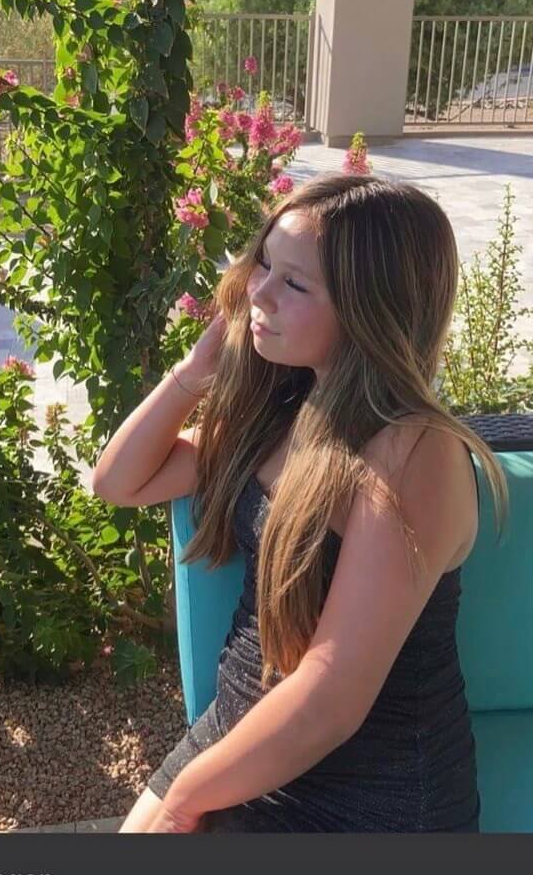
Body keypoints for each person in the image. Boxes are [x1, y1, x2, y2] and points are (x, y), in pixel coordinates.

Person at [90, 171, 509, 834]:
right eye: (264, 264)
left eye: (294, 283)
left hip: (371, 792)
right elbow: (119, 483)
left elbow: (333, 699)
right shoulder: (284, 412)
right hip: (239, 733)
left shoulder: (414, 451)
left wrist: (182, 801)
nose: (257, 292)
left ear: (371, 310)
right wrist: (195, 373)